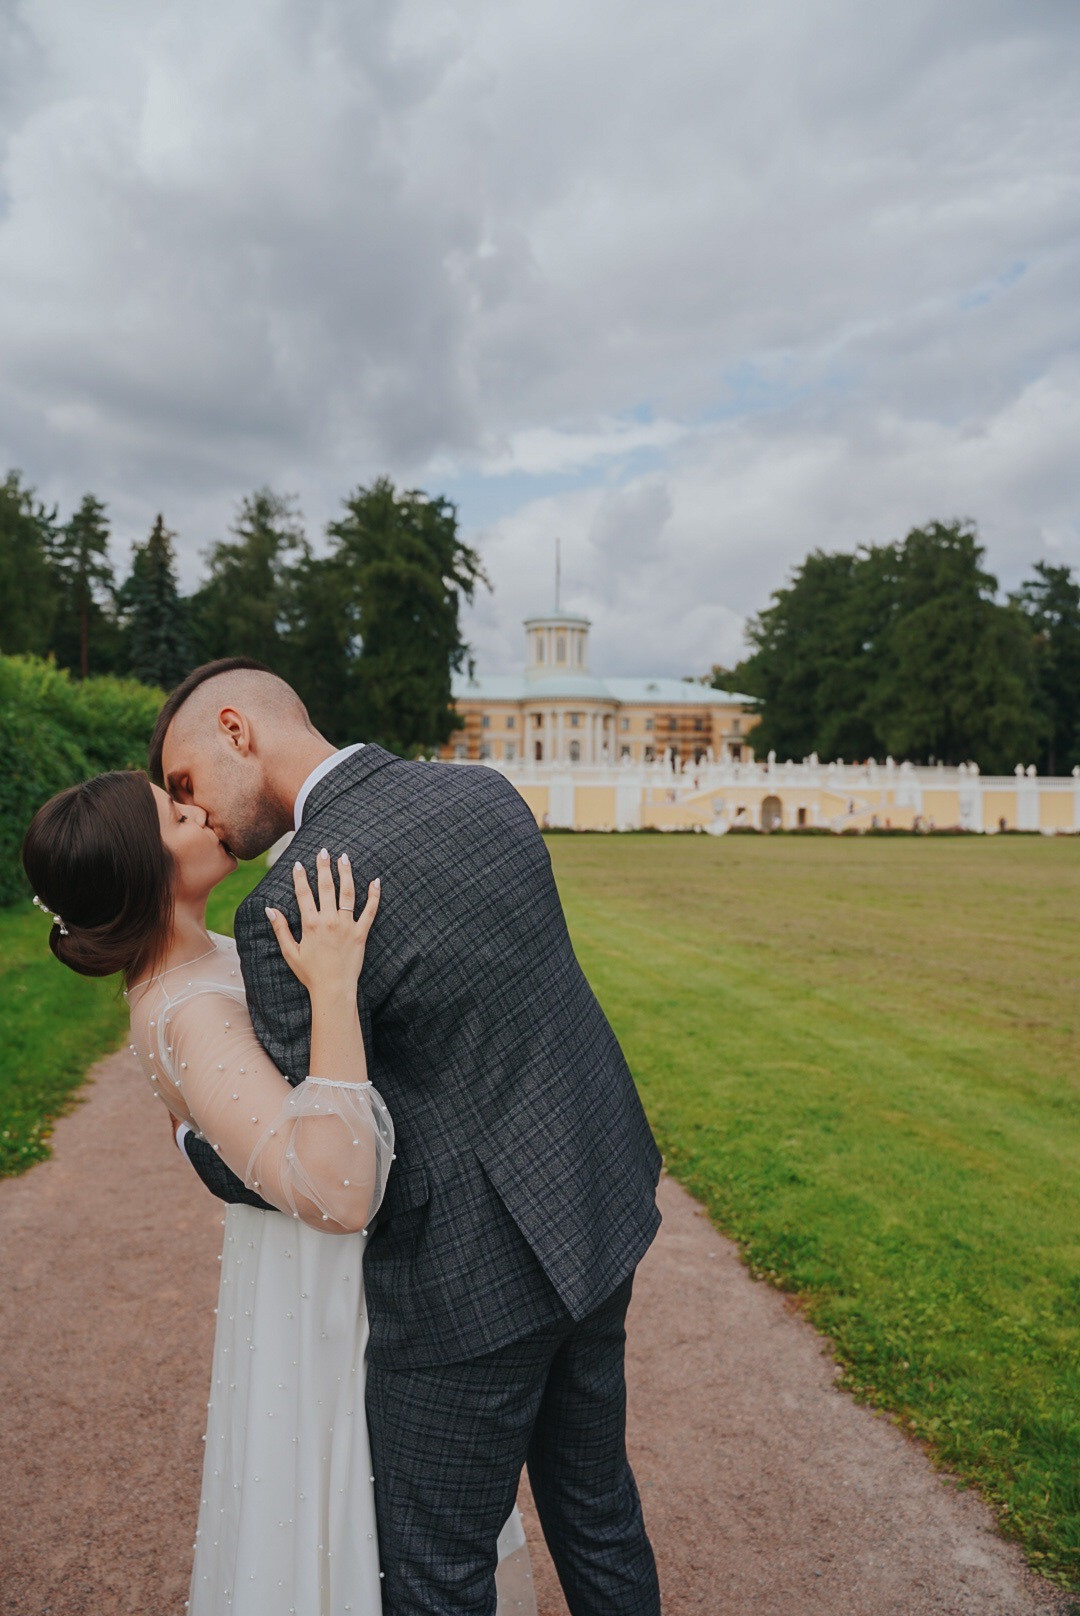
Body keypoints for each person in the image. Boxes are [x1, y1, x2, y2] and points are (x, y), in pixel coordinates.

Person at [21, 771, 535, 1616]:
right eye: (174, 815)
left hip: (307, 1267)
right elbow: (337, 1189)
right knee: (354, 1500)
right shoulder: (185, 1011)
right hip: (317, 1286)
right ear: (140, 867)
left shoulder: (205, 961)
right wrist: (332, 985)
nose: (198, 812)